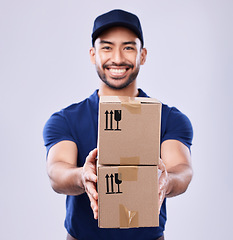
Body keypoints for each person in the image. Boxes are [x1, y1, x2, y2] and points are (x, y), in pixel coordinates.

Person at [43, 9, 193, 240]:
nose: (117, 58)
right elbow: (56, 172)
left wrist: (167, 181)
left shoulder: (169, 118)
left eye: (128, 47)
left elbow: (182, 169)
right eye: (107, 47)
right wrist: (82, 176)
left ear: (142, 55)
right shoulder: (66, 119)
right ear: (93, 54)